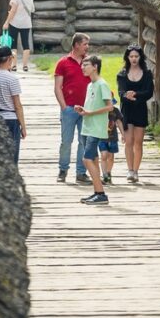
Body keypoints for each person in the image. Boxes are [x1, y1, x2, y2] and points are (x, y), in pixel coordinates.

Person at [53, 32, 91, 184]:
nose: (87, 47)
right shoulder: (63, 62)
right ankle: (63, 170)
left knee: (84, 142)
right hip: (69, 109)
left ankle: (81, 173)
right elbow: (57, 87)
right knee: (66, 142)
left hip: (86, 110)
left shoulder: (89, 62)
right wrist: (64, 107)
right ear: (76, 45)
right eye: (85, 44)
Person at [75, 54, 112, 205]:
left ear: (95, 67)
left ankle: (101, 194)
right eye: (82, 65)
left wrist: (90, 113)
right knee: (94, 159)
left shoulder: (102, 84)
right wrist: (84, 110)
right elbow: (93, 106)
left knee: (87, 159)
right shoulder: (90, 85)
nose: (82, 67)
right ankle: (97, 192)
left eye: (86, 65)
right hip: (86, 127)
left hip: (95, 129)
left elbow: (110, 106)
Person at [117, 45, 154, 183]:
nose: (134, 59)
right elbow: (121, 93)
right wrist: (127, 95)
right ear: (127, 57)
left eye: (136, 56)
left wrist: (136, 94)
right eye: (131, 56)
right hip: (127, 110)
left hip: (140, 110)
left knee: (138, 143)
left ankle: (136, 171)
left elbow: (149, 92)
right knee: (129, 141)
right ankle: (130, 170)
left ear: (140, 57)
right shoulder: (121, 74)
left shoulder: (147, 73)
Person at [0, 46, 26, 164]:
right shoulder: (12, 79)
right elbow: (17, 105)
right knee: (12, 155)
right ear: (10, 59)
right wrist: (23, 126)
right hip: (10, 119)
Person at [2, 0, 35, 72]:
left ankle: (14, 65)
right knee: (26, 45)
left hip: (15, 23)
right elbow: (32, 10)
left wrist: (6, 22)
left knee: (13, 45)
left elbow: (13, 11)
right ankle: (25, 66)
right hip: (26, 23)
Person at [99, 97, 125, 185]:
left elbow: (119, 122)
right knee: (103, 155)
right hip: (101, 137)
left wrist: (123, 134)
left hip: (112, 137)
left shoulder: (115, 111)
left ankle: (109, 173)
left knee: (110, 157)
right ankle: (105, 175)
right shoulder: (100, 110)